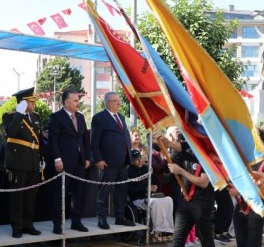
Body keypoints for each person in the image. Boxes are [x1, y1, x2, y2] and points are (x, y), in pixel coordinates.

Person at [151, 139, 221, 247]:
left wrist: (181, 171)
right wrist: (159, 135)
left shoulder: (209, 155)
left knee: (205, 238)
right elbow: (169, 144)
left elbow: (203, 182)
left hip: (203, 202)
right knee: (178, 238)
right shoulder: (188, 147)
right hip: (186, 200)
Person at [91, 91, 135, 229]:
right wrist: (98, 159)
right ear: (108, 102)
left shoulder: (120, 117)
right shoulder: (99, 118)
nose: (119, 103)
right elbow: (94, 142)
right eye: (115, 101)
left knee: (121, 191)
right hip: (108, 162)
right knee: (105, 191)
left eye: (118, 100)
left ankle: (120, 217)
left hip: (123, 161)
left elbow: (124, 136)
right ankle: (102, 218)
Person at [48, 90, 91, 234]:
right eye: (75, 100)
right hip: (64, 161)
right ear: (66, 102)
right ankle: (58, 224)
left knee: (79, 193)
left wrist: (87, 157)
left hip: (79, 161)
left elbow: (85, 139)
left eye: (78, 100)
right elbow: (53, 140)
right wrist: (57, 158)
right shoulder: (56, 117)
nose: (78, 103)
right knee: (61, 194)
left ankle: (76, 222)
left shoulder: (80, 117)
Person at [3, 88, 44, 238]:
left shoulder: (36, 117)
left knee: (30, 196)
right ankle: (17, 227)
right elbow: (11, 132)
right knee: (17, 197)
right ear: (23, 103)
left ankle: (28, 224)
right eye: (31, 102)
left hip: (33, 161)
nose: (34, 104)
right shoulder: (10, 116)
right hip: (18, 162)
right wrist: (19, 113)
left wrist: (42, 158)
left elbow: (39, 140)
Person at [127, 149, 174, 236]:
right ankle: (158, 229)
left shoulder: (146, 169)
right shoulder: (128, 172)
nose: (140, 161)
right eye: (137, 159)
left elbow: (155, 180)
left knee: (168, 200)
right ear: (132, 161)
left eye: (140, 158)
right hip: (137, 199)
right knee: (155, 202)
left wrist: (154, 186)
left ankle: (168, 228)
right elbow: (130, 190)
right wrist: (146, 189)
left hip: (151, 196)